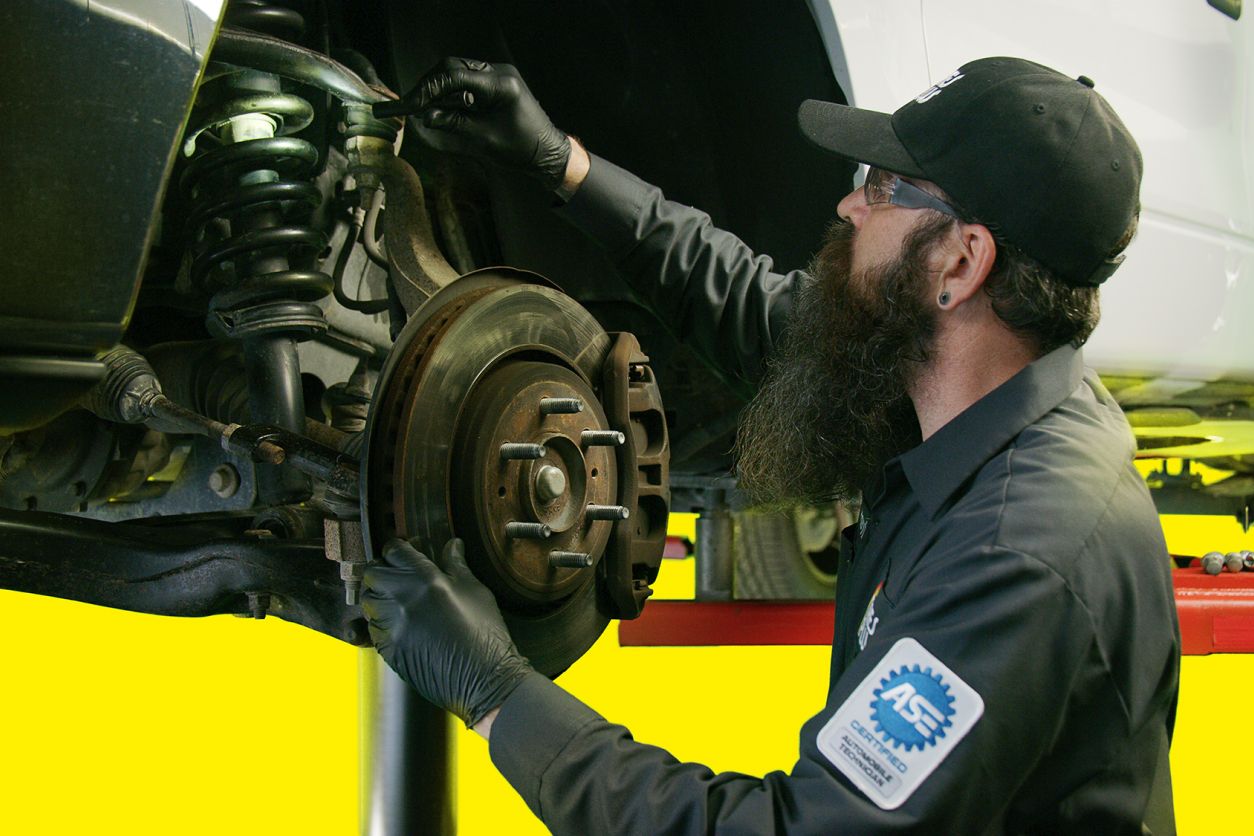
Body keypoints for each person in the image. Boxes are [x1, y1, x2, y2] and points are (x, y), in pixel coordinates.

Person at [364, 56, 1181, 834]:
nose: (850, 208)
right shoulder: (972, 390)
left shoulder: (1022, 553)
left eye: (883, 187)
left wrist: (500, 694)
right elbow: (751, 307)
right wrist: (559, 163)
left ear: (962, 262)